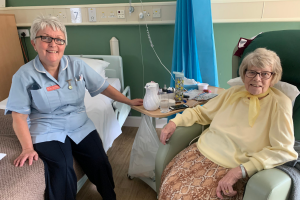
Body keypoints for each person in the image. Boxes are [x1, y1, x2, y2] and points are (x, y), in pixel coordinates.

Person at [5, 15, 143, 200]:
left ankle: (110, 197)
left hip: (80, 124)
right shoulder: (23, 75)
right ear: (34, 43)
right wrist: (27, 148)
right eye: (46, 38)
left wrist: (128, 102)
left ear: (64, 44)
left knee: (100, 162)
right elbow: (19, 117)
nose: (53, 44)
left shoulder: (77, 65)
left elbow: (103, 87)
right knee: (61, 167)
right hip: (47, 128)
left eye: (59, 39)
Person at [159, 48, 298, 200]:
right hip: (199, 152)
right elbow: (201, 113)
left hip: (232, 167)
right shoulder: (233, 93)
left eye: (265, 74)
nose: (257, 79)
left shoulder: (279, 103)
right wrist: (174, 122)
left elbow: (283, 150)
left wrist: (240, 171)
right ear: (244, 74)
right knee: (167, 187)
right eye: (251, 72)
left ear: (273, 77)